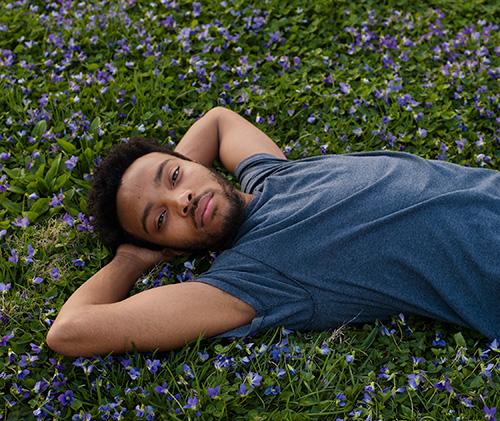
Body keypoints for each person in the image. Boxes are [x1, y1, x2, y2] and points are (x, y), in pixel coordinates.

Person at [46, 107, 500, 357]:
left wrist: (170, 179)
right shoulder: (245, 281)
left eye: (174, 177)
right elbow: (69, 331)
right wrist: (133, 257)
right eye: (161, 219)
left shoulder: (271, 174)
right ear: (167, 247)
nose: (180, 201)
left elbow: (217, 121)